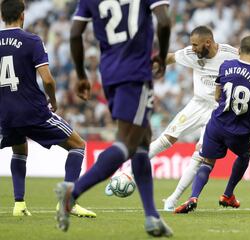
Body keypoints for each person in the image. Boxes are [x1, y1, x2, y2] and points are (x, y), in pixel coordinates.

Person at [55, 0, 172, 237]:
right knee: (127, 143)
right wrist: (160, 56)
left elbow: (76, 32)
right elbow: (165, 21)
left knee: (142, 140)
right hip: (136, 74)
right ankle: (73, 192)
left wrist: (80, 74)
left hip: (109, 75)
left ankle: (152, 216)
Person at [111, 25, 240, 211]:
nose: (193, 49)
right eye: (192, 45)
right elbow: (169, 57)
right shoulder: (193, 54)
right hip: (197, 105)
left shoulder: (230, 54)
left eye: (196, 45)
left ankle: (173, 199)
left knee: (200, 154)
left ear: (208, 43)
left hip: (218, 111)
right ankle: (127, 172)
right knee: (166, 138)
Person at [0, 0, 95, 218]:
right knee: (78, 145)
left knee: (20, 150)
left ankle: (19, 204)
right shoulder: (32, 40)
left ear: (2, 14)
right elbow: (48, 79)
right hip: (33, 110)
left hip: (6, 113)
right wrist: (53, 100)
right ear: (23, 15)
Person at [174, 35, 250, 213]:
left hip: (217, 125)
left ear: (239, 51)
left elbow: (218, 96)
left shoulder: (226, 66)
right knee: (245, 155)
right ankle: (227, 195)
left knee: (207, 162)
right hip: (241, 131)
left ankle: (193, 197)